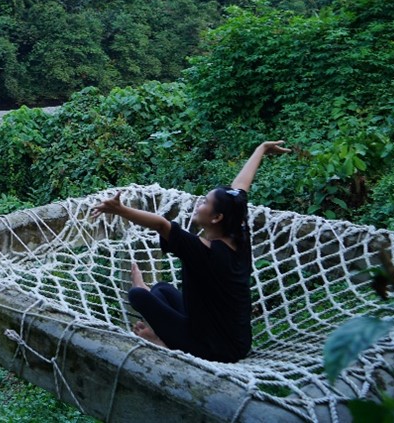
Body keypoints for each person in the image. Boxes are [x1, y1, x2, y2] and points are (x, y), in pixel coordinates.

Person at [89, 140, 290, 363]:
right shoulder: (238, 233)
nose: (198, 204)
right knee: (162, 289)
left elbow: (161, 225)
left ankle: (162, 342)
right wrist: (260, 149)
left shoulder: (205, 252)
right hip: (230, 337)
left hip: (217, 350)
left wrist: (120, 210)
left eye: (205, 202)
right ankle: (160, 322)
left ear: (216, 218)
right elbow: (240, 187)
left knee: (138, 294)